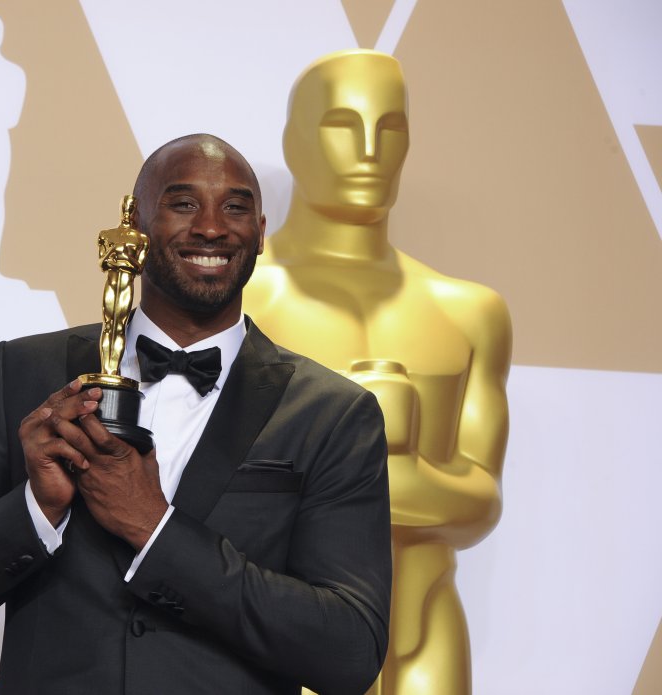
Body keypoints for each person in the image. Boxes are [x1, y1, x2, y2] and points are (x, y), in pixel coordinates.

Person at [0, 133, 391, 695]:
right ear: (136, 226)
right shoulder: (25, 373)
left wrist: (155, 529)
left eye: (236, 207)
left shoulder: (335, 414)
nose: (213, 227)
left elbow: (349, 650)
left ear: (261, 233)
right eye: (183, 203)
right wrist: (34, 508)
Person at [244, 51, 511, 695]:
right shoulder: (241, 301)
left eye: (390, 127)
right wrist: (394, 473)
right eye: (342, 124)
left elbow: (482, 502)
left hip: (425, 631)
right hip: (281, 630)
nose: (370, 149)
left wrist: (364, 470)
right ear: (293, 141)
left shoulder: (469, 312)